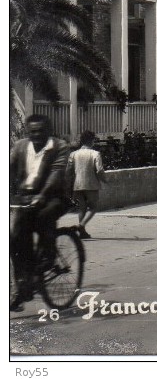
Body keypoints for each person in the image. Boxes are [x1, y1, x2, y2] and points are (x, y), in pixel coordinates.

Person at [10, 114, 71, 311]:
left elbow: (56, 173)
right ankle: (23, 284)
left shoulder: (59, 146)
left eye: (40, 131)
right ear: (28, 132)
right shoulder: (20, 147)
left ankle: (48, 256)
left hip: (53, 196)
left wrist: (42, 195)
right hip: (25, 197)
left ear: (48, 131)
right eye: (32, 132)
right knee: (14, 239)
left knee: (44, 216)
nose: (36, 135)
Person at [67, 130, 108, 239]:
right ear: (92, 141)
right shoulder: (95, 154)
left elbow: (68, 171)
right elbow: (99, 170)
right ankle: (81, 226)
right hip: (91, 184)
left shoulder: (73, 154)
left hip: (77, 185)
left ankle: (82, 232)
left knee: (82, 208)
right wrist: (105, 180)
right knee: (93, 208)